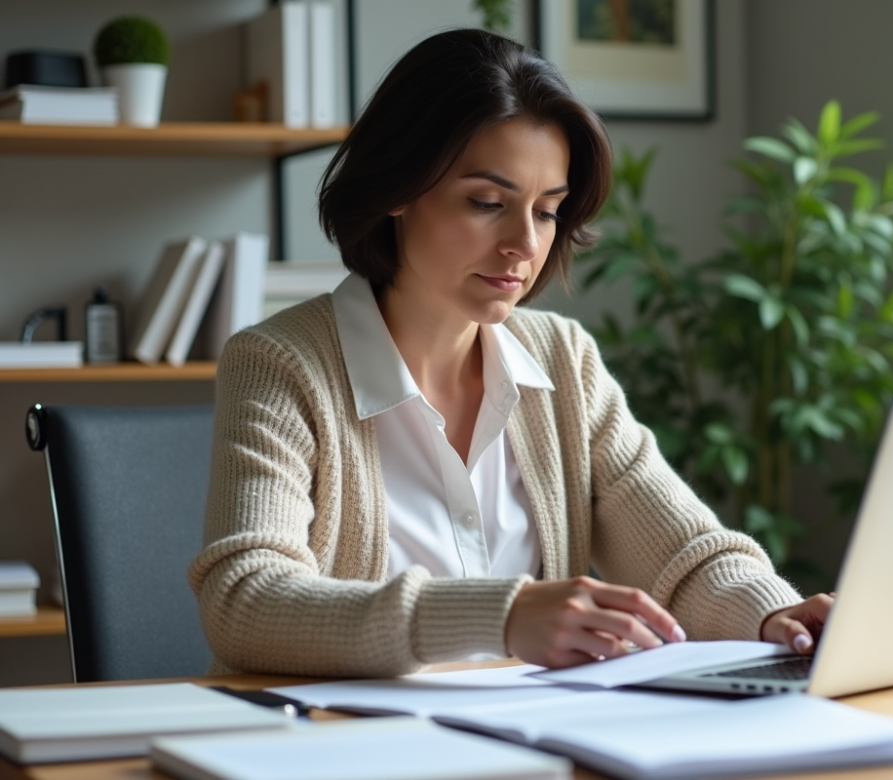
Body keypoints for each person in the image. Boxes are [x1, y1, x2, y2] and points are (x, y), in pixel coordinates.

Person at [188, 28, 833, 678]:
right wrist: (502, 614)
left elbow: (684, 554)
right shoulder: (280, 363)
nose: (525, 242)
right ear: (398, 191)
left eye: (548, 211)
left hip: (533, 741)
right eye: (488, 203)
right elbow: (245, 598)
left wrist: (776, 617)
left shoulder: (562, 360)